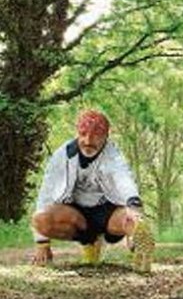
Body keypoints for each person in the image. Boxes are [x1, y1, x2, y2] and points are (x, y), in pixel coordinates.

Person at [30, 109, 155, 273]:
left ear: (106, 137)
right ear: (77, 133)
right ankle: (91, 244)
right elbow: (46, 192)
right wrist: (41, 243)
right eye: (83, 134)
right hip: (76, 214)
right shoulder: (62, 155)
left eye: (96, 135)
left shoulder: (113, 155)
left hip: (107, 212)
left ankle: (139, 247)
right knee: (40, 219)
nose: (88, 141)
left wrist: (134, 204)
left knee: (132, 220)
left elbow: (123, 178)